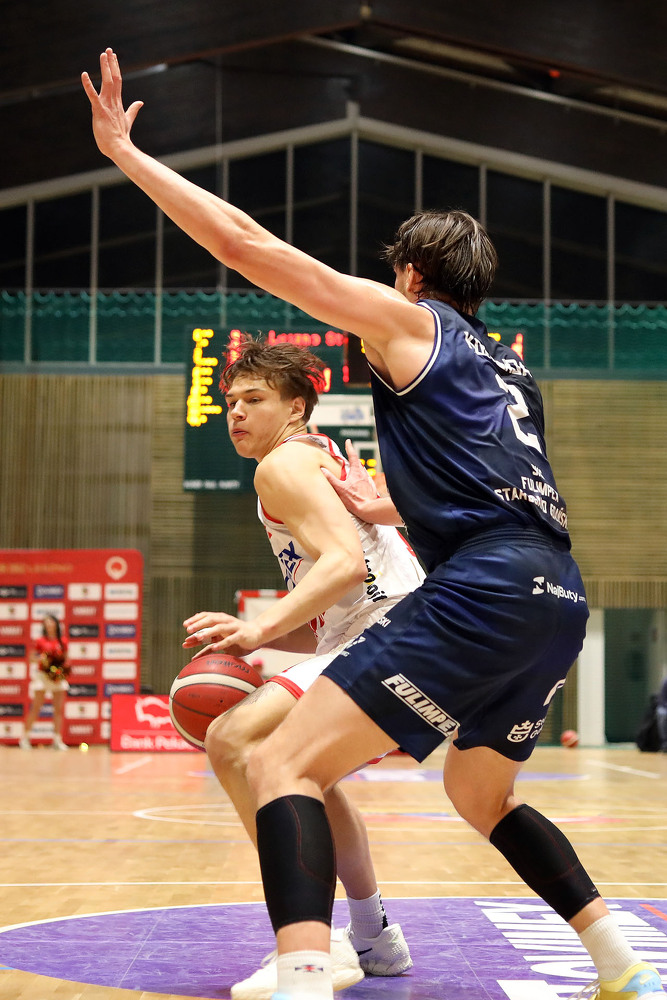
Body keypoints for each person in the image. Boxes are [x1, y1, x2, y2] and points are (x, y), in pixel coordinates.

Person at [82, 50, 666, 1000]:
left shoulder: (408, 322)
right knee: (481, 794)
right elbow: (505, 486)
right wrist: (394, 505)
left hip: (481, 586)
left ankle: (307, 971)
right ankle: (620, 964)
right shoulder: (510, 371)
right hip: (555, 595)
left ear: (407, 275)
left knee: (275, 759)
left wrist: (128, 156)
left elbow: (247, 245)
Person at [181, 335, 422, 999]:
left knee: (234, 740)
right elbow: (344, 593)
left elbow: (345, 565)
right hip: (401, 630)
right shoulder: (315, 456)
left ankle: (309, 939)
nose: (236, 412)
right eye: (231, 401)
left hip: (392, 631)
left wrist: (258, 628)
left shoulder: (282, 464)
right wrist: (256, 644)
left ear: (295, 408)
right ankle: (373, 935)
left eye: (254, 399)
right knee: (307, 773)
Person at [20, 614, 70, 750]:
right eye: (46, 623)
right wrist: (42, 659)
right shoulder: (40, 641)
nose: (49, 625)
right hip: (43, 676)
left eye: (51, 622)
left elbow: (66, 659)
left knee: (58, 709)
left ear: (56, 624)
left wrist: (61, 670)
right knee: (36, 707)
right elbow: (31, 658)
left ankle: (57, 740)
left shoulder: (62, 641)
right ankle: (25, 738)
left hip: (58, 677)